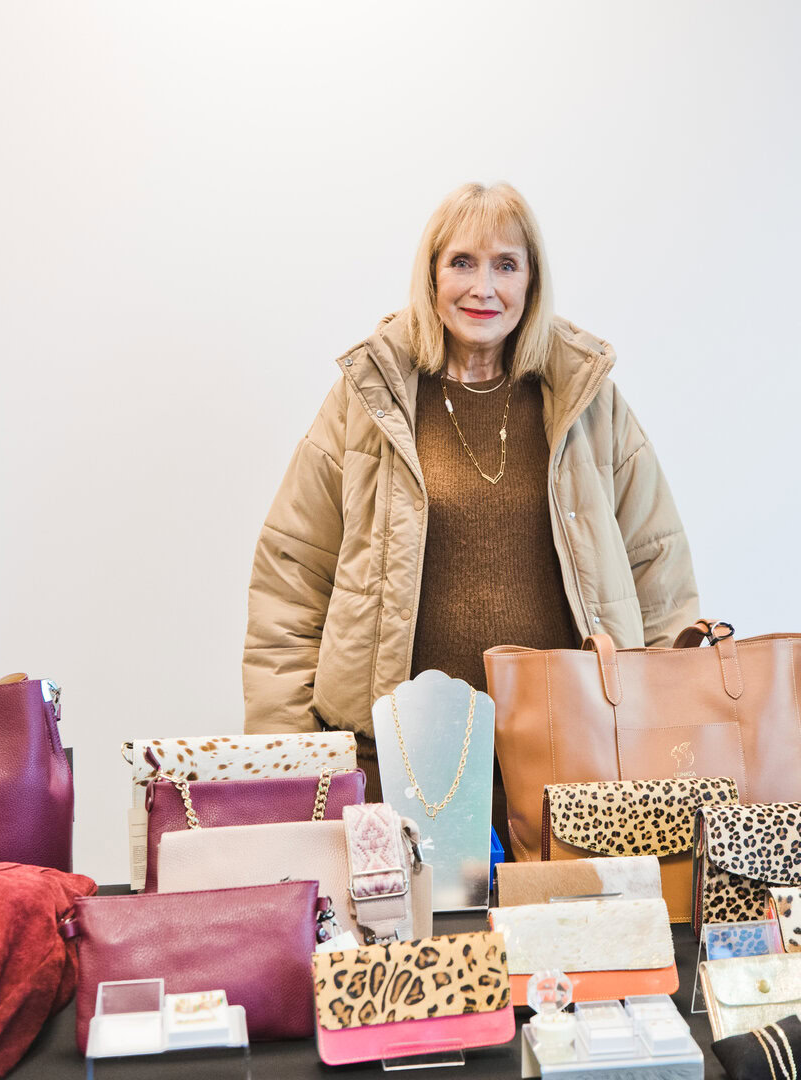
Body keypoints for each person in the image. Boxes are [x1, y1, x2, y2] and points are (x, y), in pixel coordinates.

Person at [243, 181, 699, 808]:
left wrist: (665, 737)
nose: (483, 287)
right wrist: (288, 765)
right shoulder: (370, 400)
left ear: (530, 283)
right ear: (431, 276)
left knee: (560, 910)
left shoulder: (587, 400)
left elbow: (659, 575)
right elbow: (291, 581)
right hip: (392, 768)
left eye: (505, 265)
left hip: (571, 767)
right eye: (462, 262)